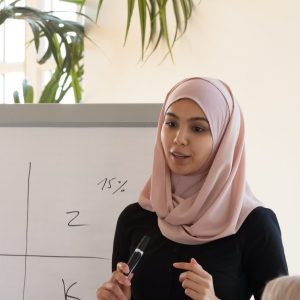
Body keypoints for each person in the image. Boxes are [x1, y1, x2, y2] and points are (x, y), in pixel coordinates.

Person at [96, 77, 288, 300]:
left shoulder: (253, 225)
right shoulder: (135, 218)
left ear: (223, 139)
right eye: (171, 123)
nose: (179, 139)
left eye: (198, 128)